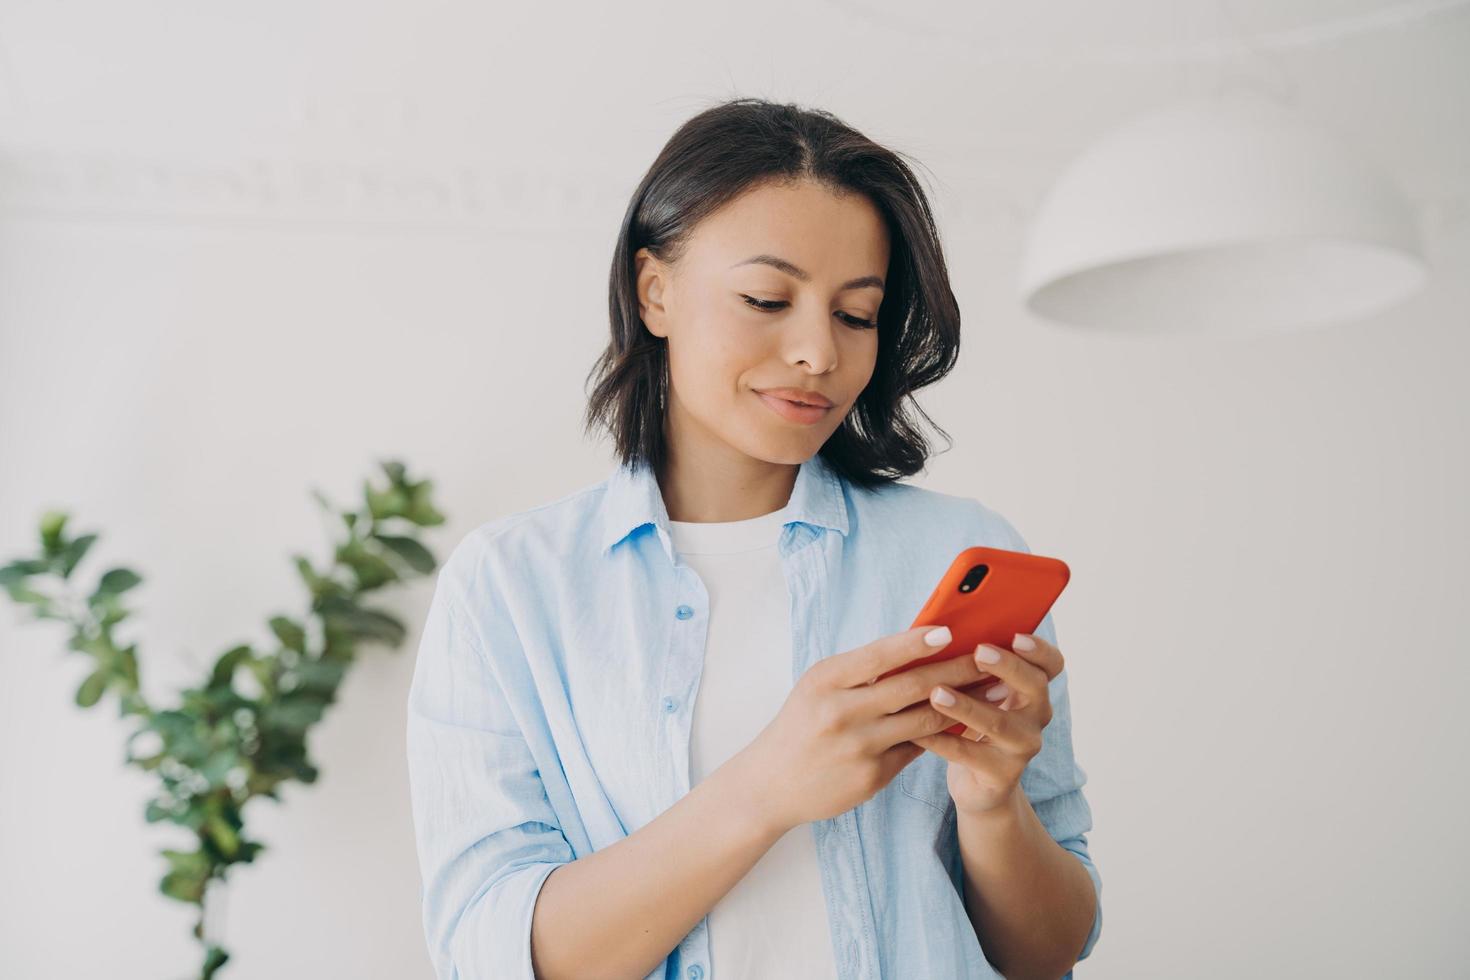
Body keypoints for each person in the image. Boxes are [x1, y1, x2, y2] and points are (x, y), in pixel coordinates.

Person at [406, 96, 1102, 980]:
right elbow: (493, 955)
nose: (819, 352)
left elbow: (1049, 954)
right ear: (653, 290)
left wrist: (992, 804)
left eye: (856, 315)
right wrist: (766, 786)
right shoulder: (511, 586)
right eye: (767, 298)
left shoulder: (955, 548)